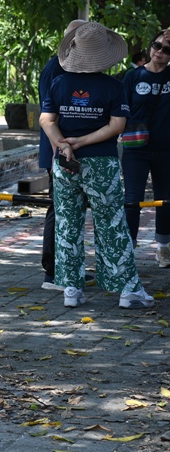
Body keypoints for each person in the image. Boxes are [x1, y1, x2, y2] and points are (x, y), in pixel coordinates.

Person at [40, 22, 154, 309]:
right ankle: (128, 291)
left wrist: (63, 144)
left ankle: (71, 290)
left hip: (65, 163)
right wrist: (83, 140)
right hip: (101, 163)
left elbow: (46, 120)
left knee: (67, 224)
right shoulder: (113, 87)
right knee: (111, 224)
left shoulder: (59, 83)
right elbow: (117, 125)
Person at [39, 20, 87, 290]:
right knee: (58, 209)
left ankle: (70, 266)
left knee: (74, 210)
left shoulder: (75, 67)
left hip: (74, 148)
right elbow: (49, 117)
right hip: (58, 148)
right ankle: (53, 270)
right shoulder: (55, 67)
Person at [121, 29, 170, 267]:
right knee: (132, 200)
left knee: (166, 200)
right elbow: (120, 110)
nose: (159, 51)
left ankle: (163, 248)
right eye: (156, 45)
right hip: (135, 148)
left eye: (166, 49)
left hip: (166, 149)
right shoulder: (133, 76)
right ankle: (128, 248)